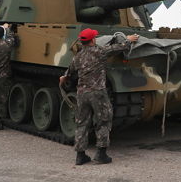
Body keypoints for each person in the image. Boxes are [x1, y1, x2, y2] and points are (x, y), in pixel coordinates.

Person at [59, 29, 139, 165]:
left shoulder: (78, 56)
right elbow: (118, 47)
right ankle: (101, 154)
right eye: (95, 37)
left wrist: (64, 77)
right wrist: (129, 40)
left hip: (82, 94)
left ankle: (80, 156)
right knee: (103, 120)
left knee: (82, 123)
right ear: (92, 40)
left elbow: (70, 70)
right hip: (98, 93)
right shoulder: (99, 51)